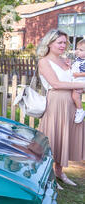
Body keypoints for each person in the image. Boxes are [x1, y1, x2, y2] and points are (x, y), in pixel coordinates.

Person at [36, 29, 85, 187]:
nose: (63, 45)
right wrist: (81, 84)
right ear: (50, 43)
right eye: (60, 42)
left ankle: (59, 171)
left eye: (65, 42)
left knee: (65, 136)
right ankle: (48, 174)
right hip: (56, 102)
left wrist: (77, 84)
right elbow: (56, 84)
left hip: (71, 102)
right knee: (54, 137)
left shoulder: (65, 60)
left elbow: (70, 78)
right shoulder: (44, 61)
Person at [71, 39, 85, 123]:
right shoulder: (78, 59)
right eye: (77, 49)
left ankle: (80, 110)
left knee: (75, 96)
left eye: (81, 50)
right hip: (76, 80)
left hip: (81, 81)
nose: (77, 51)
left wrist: (77, 75)